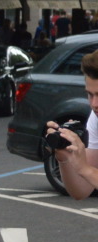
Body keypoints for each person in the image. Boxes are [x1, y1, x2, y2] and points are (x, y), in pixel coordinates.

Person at [48, 50, 98, 200]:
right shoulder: (96, 118)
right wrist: (64, 157)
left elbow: (88, 172)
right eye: (90, 94)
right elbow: (81, 191)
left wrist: (85, 169)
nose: (94, 104)